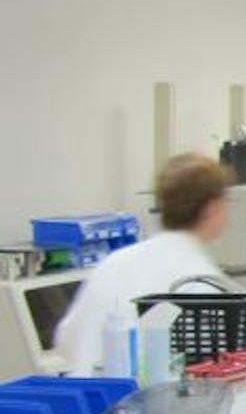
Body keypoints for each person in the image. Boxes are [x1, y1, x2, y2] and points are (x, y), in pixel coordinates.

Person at [55, 152, 230, 373]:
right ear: (211, 208)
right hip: (147, 403)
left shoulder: (115, 262)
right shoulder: (200, 277)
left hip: (88, 400)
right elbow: (213, 363)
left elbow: (66, 340)